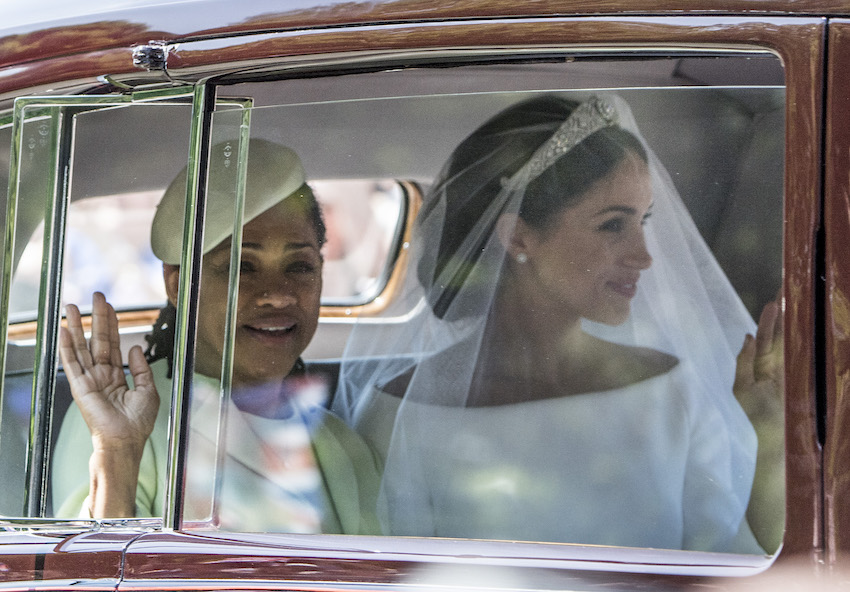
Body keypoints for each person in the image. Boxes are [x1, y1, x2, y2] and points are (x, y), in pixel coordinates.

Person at [332, 95, 783, 552]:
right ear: (519, 237)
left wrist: (769, 446)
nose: (645, 256)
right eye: (612, 225)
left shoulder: (675, 391)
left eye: (644, 221)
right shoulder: (398, 414)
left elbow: (727, 563)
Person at [51, 139, 380, 534]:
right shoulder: (123, 421)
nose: (278, 293)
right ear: (179, 286)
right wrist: (118, 453)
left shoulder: (342, 446)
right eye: (241, 266)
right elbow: (91, 576)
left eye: (299, 265)